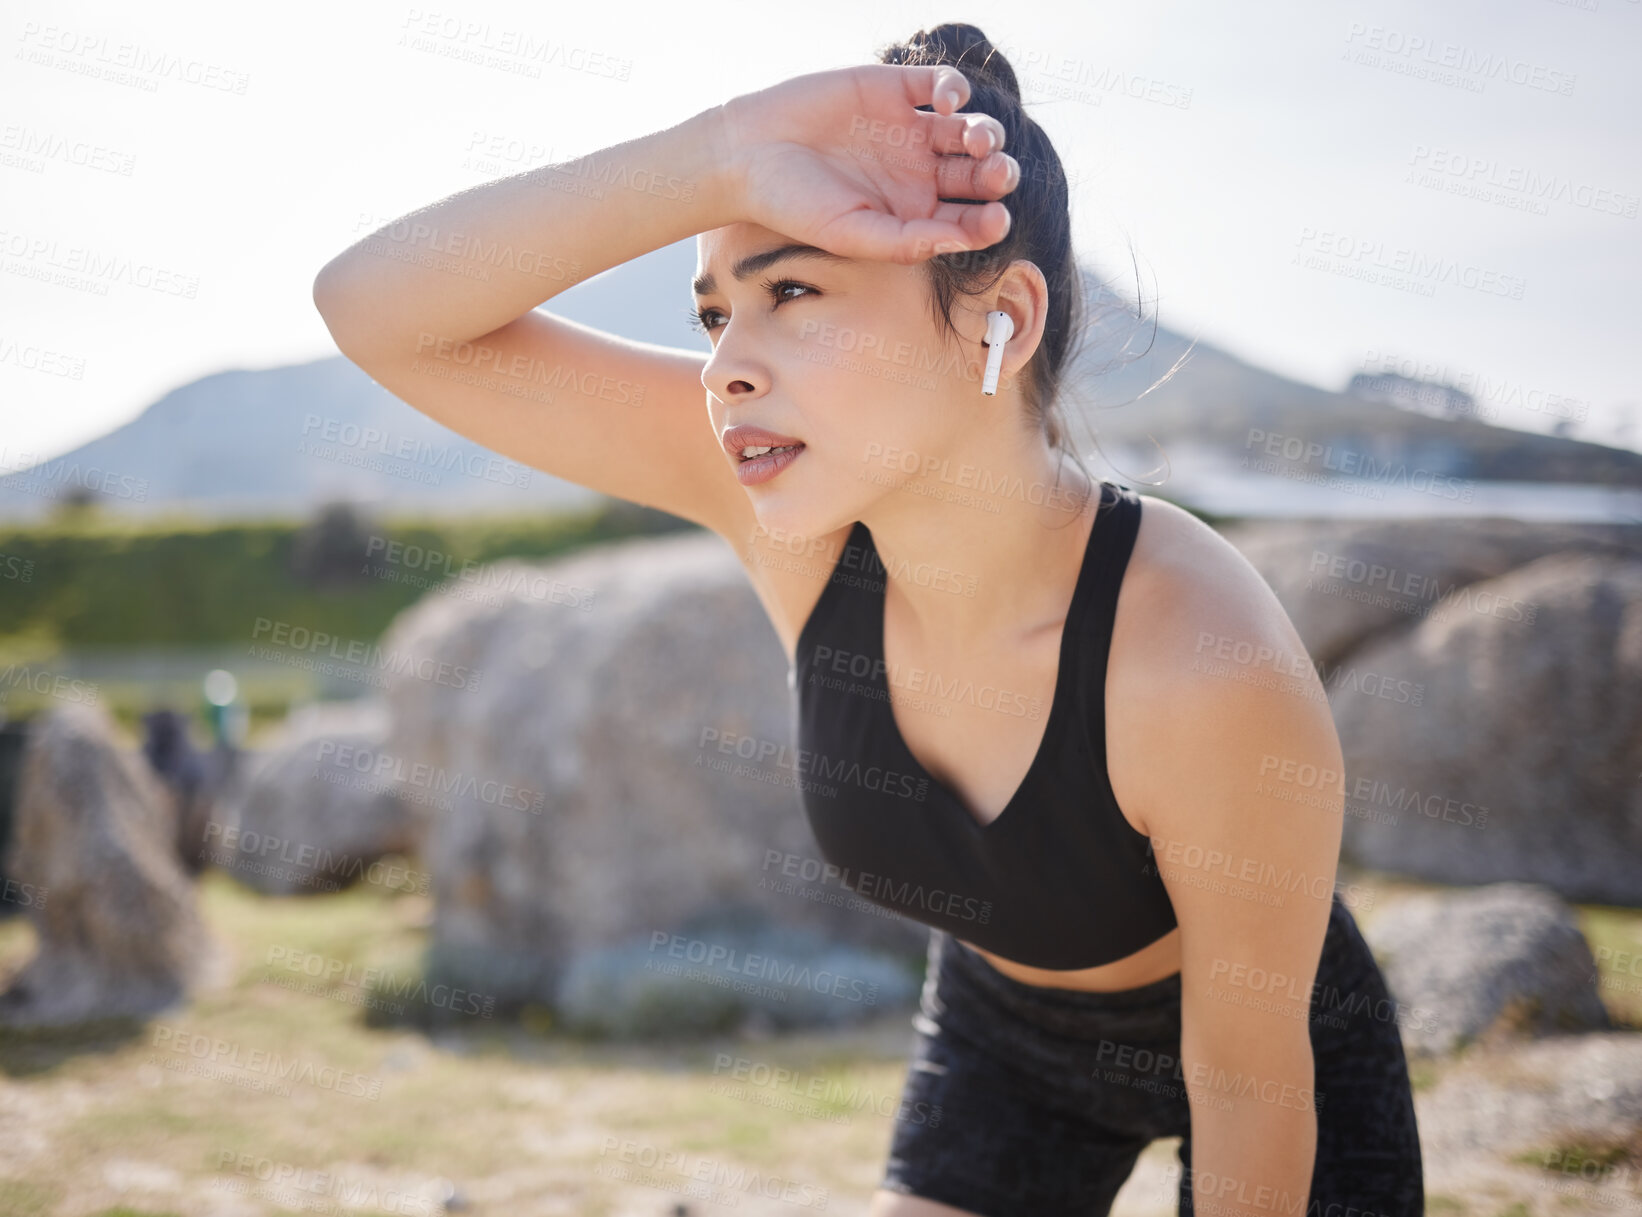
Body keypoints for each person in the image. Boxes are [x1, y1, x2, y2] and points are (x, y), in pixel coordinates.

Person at [313, 22, 1425, 1216]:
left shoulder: (1198, 658)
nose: (725, 366)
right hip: (1002, 1035)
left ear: (1001, 316)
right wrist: (718, 156)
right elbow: (375, 307)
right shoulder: (791, 525)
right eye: (712, 315)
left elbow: (1249, 1081)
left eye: (790, 288)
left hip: (1270, 1056)